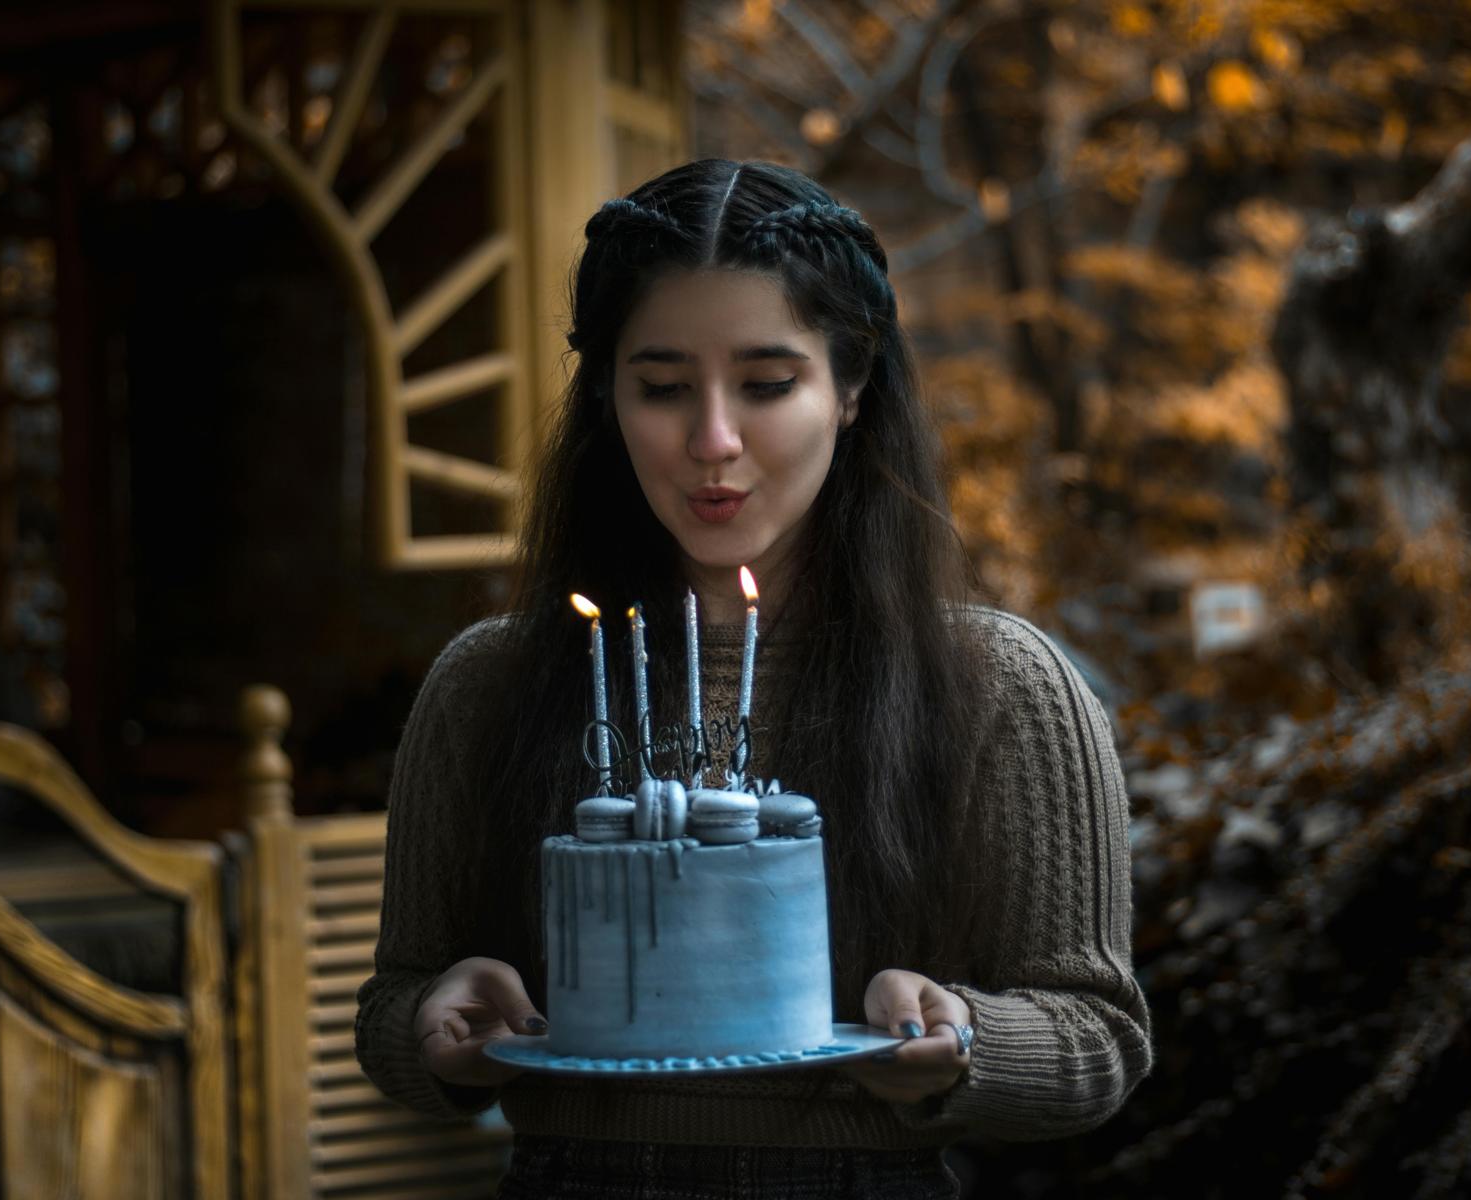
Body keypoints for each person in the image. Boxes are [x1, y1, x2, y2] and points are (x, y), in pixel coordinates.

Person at [355, 159, 1151, 1198]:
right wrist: (436, 1024)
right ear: (604, 393)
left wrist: (964, 1035)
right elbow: (392, 1007)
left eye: (769, 385)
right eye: (663, 386)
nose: (712, 442)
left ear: (854, 388)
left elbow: (1098, 1037)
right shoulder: (490, 683)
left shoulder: (996, 684)